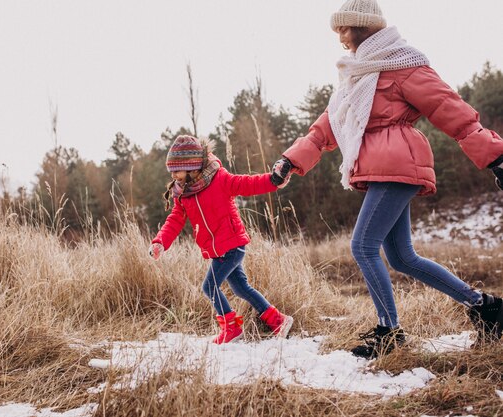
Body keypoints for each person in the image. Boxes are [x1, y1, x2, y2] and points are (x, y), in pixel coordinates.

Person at [271, 0, 503, 358]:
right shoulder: (357, 73)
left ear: (364, 28)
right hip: (383, 167)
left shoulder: (402, 62)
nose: (341, 38)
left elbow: (449, 109)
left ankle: (389, 331)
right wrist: (290, 159)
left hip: (398, 163)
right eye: (337, 31)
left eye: (345, 29)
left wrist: (495, 156)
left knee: (362, 246)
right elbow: (328, 125)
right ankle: (487, 308)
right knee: (401, 257)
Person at [148, 135, 293, 344]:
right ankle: (278, 320)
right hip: (217, 249)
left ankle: (231, 328)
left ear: (192, 167)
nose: (173, 175)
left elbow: (247, 184)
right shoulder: (182, 193)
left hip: (232, 244)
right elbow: (175, 219)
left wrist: (273, 180)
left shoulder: (219, 179)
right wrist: (160, 241)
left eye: (177, 170)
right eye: (171, 170)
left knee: (209, 286)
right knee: (240, 288)